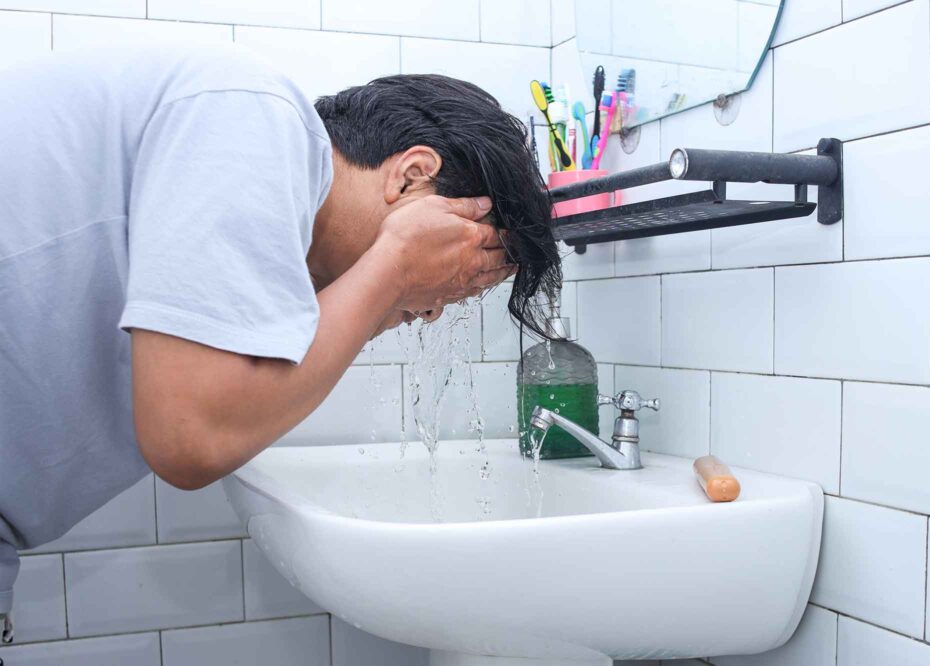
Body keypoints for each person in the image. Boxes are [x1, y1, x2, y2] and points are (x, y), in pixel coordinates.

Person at [0, 43, 560, 638]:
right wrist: (395, 265)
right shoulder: (251, 114)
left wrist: (385, 288)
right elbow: (191, 438)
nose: (430, 308)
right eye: (451, 266)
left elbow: (221, 411)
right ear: (412, 175)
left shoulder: (246, 228)